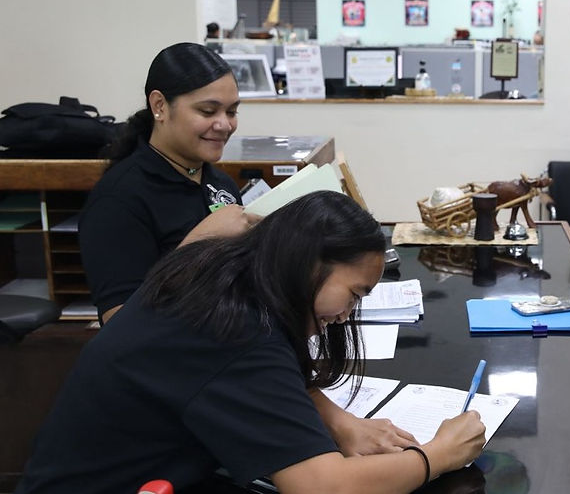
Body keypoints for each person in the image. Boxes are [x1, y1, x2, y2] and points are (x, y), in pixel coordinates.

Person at [17, 191, 487, 494]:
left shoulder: (220, 273)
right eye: (354, 295)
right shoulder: (238, 331)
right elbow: (321, 488)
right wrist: (436, 456)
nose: (348, 315)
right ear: (309, 263)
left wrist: (338, 422)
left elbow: (238, 379)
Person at [79, 42, 259, 324]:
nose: (225, 125)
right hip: (172, 360)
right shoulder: (119, 198)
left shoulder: (220, 183)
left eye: (232, 112)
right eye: (208, 111)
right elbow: (119, 325)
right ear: (160, 106)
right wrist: (200, 241)